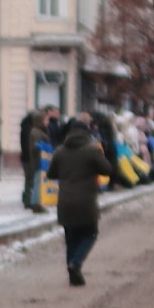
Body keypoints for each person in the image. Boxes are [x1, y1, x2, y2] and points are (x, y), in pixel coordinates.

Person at [47, 118, 113, 286]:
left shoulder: (60, 151)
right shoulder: (92, 150)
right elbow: (107, 170)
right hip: (86, 201)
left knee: (71, 237)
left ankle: (72, 272)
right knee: (90, 233)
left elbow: (51, 174)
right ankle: (75, 264)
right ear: (86, 132)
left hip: (65, 201)